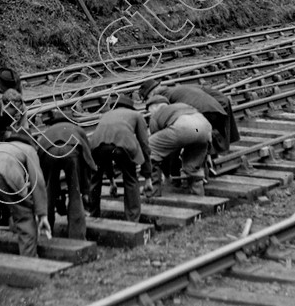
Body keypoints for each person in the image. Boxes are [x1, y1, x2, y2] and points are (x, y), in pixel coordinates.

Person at [0, 134, 47, 257]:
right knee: (25, 217)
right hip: (3, 177)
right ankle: (29, 260)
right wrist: (41, 212)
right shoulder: (29, 149)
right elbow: (37, 181)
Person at [87, 94, 152, 223]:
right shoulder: (136, 115)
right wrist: (148, 176)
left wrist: (112, 181)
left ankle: (93, 214)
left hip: (97, 147)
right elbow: (144, 145)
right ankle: (132, 219)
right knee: (130, 179)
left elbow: (106, 149)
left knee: (95, 180)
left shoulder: (106, 116)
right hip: (122, 146)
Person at [34, 115, 96, 241]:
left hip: (48, 151)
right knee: (75, 193)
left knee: (48, 192)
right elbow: (87, 162)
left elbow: (41, 166)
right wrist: (85, 190)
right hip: (71, 149)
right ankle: (77, 236)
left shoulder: (47, 132)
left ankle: (45, 233)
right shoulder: (77, 129)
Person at [138, 79, 239, 154]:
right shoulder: (176, 89)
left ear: (151, 94)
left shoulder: (163, 97)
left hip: (202, 113)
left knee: (191, 134)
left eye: (147, 98)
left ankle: (202, 161)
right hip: (215, 109)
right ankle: (211, 154)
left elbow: (166, 121)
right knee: (199, 132)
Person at [146, 96, 212, 195]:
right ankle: (198, 194)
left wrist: (166, 174)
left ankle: (153, 190)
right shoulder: (181, 106)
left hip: (185, 128)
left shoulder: (156, 116)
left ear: (153, 107)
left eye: (149, 111)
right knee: (192, 166)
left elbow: (160, 152)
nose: (150, 114)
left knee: (149, 146)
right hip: (204, 127)